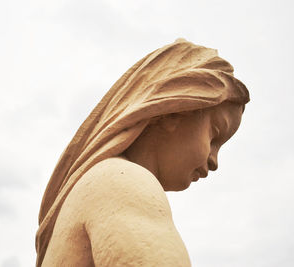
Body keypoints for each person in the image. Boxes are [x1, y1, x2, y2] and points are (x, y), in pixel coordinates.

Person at [36, 39, 250, 266]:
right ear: (174, 112)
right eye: (214, 134)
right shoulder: (119, 183)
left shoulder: (97, 185)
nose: (214, 161)